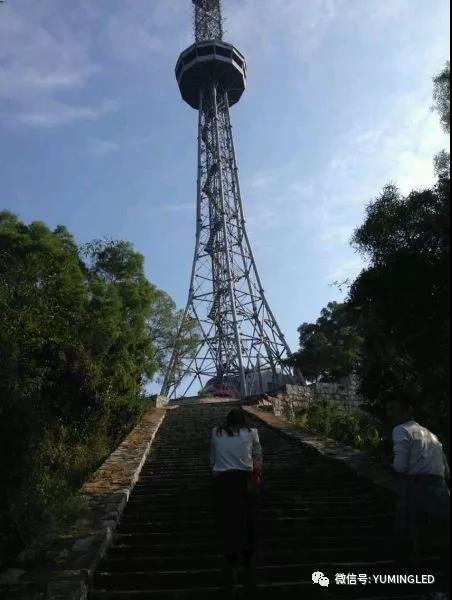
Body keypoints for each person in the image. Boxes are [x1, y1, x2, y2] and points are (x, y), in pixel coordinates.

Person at [386, 394, 450, 564]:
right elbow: (446, 469)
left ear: (407, 410)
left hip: (418, 486)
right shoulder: (432, 435)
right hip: (440, 487)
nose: (390, 413)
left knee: (409, 526)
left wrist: (391, 467)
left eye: (394, 408)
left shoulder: (401, 429)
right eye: (388, 409)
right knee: (441, 531)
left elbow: (400, 466)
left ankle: (407, 564)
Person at [209, 408, 263, 598]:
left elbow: (212, 460)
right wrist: (257, 479)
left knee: (228, 523)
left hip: (223, 483)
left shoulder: (216, 432)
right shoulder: (252, 433)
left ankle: (230, 570)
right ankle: (249, 565)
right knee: (248, 521)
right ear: (244, 421)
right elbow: (258, 459)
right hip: (245, 482)